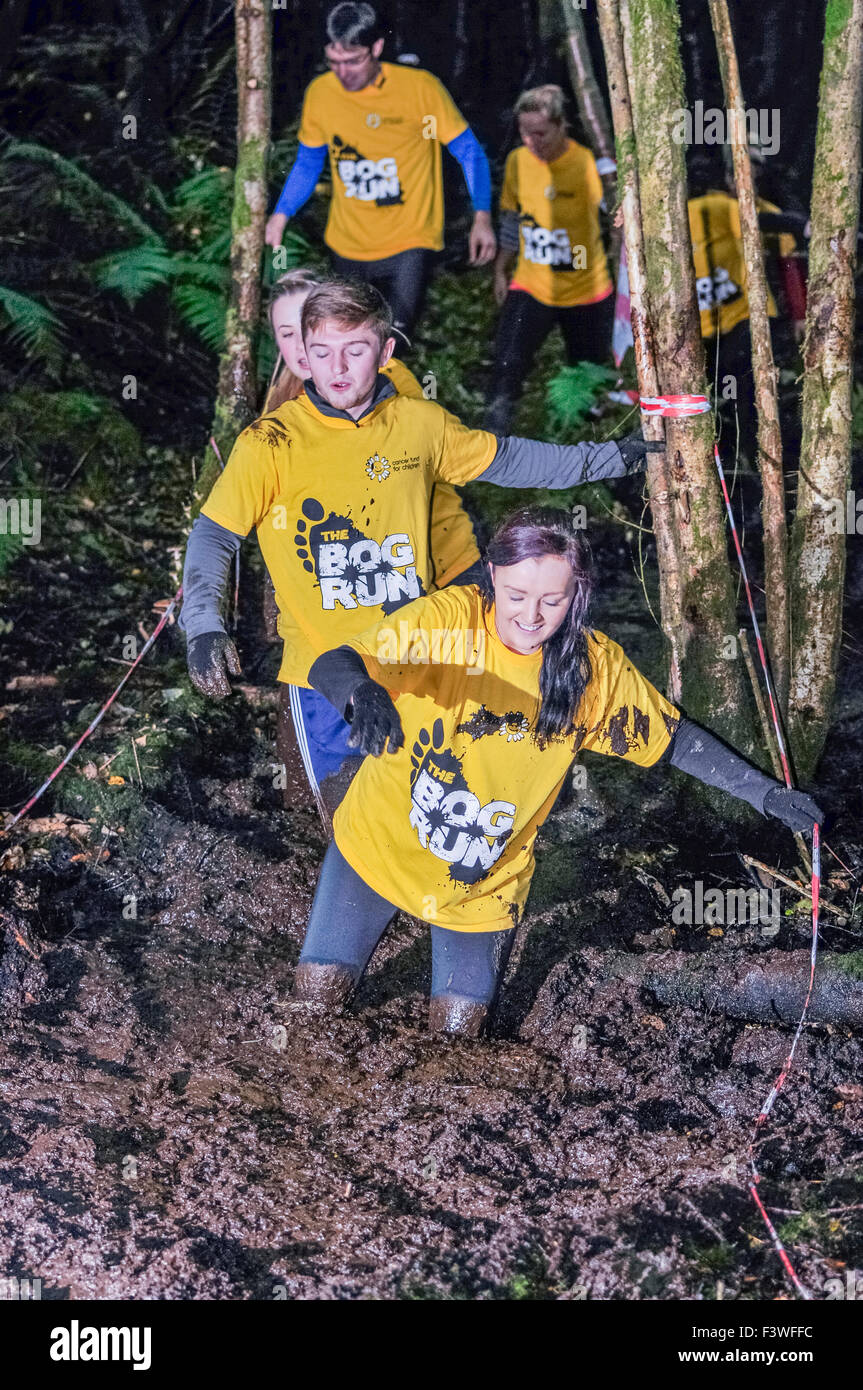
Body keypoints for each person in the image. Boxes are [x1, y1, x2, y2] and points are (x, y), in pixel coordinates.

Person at [299, 506, 824, 1036]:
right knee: (314, 1004)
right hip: (376, 847)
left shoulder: (594, 671)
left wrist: (765, 794)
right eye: (516, 596)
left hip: (481, 887)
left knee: (458, 1038)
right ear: (493, 577)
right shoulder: (450, 620)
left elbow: (676, 739)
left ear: (577, 595)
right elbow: (332, 662)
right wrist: (362, 693)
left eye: (552, 601)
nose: (531, 616)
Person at [179, 279, 660, 823]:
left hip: (416, 658)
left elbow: (511, 460)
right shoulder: (270, 442)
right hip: (324, 673)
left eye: (355, 349)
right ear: (303, 358)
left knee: (426, 815)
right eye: (323, 352)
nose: (338, 367)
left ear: (385, 352)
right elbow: (215, 534)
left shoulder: (419, 424)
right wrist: (203, 625)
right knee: (342, 822)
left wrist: (614, 457)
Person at [262, 267, 484, 819]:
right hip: (341, 599)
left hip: (428, 574)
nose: (304, 351)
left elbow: (406, 488)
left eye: (309, 334)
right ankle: (322, 825)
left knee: (433, 716)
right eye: (288, 336)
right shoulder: (284, 400)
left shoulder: (387, 388)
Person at [265, 2, 496, 345]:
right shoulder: (321, 94)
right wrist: (281, 214)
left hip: (409, 239)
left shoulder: (419, 89)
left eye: (353, 61)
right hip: (348, 243)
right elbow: (308, 163)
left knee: (391, 340)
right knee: (350, 340)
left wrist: (482, 216)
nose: (343, 73)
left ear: (376, 48)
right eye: (334, 61)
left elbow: (469, 152)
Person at [484, 85, 613, 434]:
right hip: (532, 284)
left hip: (586, 289)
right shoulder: (518, 161)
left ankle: (585, 443)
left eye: (540, 133)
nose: (531, 141)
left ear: (561, 126)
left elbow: (617, 215)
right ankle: (493, 442)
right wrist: (501, 270)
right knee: (507, 365)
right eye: (525, 132)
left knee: (588, 377)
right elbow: (512, 219)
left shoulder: (586, 163)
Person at [687, 151, 806, 458]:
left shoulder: (754, 209)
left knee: (745, 390)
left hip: (740, 318)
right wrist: (801, 225)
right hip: (706, 326)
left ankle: (759, 453)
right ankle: (734, 454)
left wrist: (798, 313)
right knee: (721, 396)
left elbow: (786, 259)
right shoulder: (709, 207)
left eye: (755, 174)